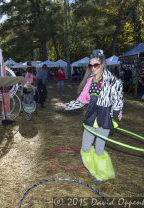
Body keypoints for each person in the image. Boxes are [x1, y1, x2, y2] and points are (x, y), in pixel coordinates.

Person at [55, 50, 124, 184]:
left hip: (105, 119)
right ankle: (93, 169)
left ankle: (101, 175)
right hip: (90, 119)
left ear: (103, 64)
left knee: (99, 150)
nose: (93, 68)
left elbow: (118, 101)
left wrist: (117, 114)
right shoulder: (90, 81)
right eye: (91, 65)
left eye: (96, 65)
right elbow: (81, 101)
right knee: (85, 148)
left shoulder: (114, 82)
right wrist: (65, 105)